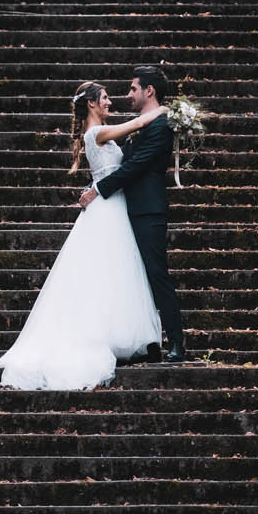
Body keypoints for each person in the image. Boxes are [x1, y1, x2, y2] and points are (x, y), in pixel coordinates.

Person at [0, 81, 165, 391]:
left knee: (116, 271)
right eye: (104, 98)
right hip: (108, 210)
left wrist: (92, 187)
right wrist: (168, 111)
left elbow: (105, 169)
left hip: (112, 205)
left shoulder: (98, 136)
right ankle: (102, 335)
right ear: (91, 103)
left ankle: (120, 334)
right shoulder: (96, 133)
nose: (110, 102)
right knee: (107, 270)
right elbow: (139, 122)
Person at [79, 65, 186, 362]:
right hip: (127, 210)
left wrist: (98, 190)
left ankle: (176, 341)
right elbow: (115, 162)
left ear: (148, 91)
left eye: (133, 89)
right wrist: (97, 184)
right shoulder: (140, 125)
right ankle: (145, 340)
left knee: (156, 273)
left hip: (148, 210)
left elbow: (134, 166)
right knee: (131, 277)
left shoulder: (159, 126)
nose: (127, 95)